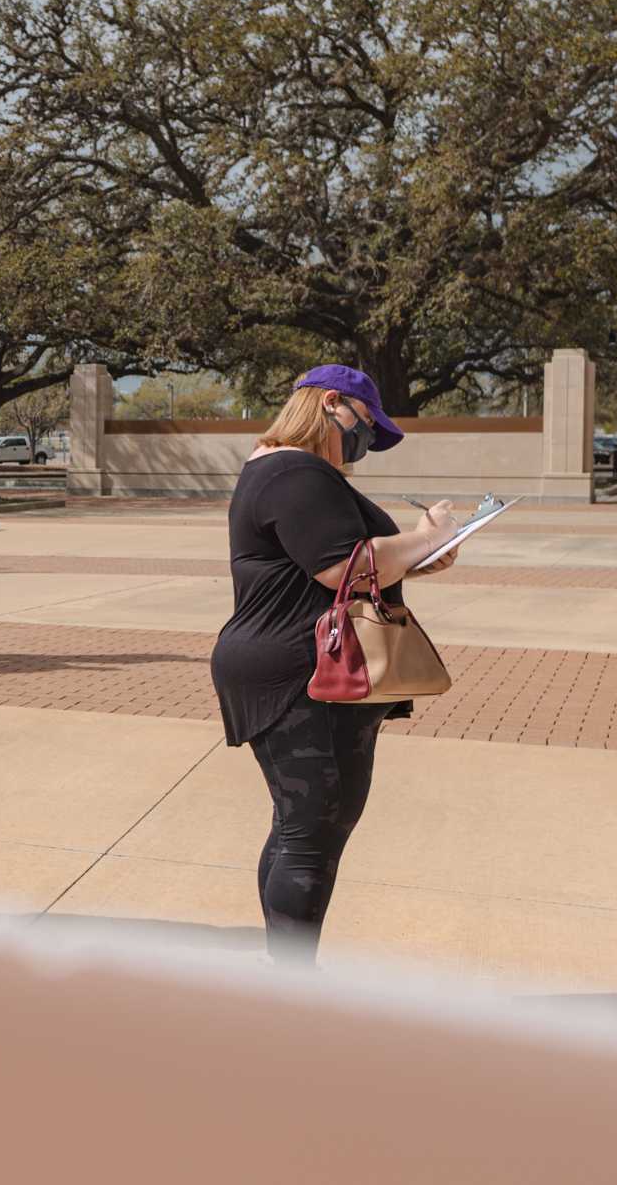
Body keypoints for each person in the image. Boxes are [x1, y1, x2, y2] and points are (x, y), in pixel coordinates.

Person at [209, 364, 462, 967]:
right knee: (309, 833)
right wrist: (428, 536)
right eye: (367, 426)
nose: (367, 443)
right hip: (298, 670)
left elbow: (331, 560)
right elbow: (340, 567)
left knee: (309, 827)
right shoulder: (294, 470)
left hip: (312, 666)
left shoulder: (294, 471)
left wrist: (420, 559)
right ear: (331, 404)